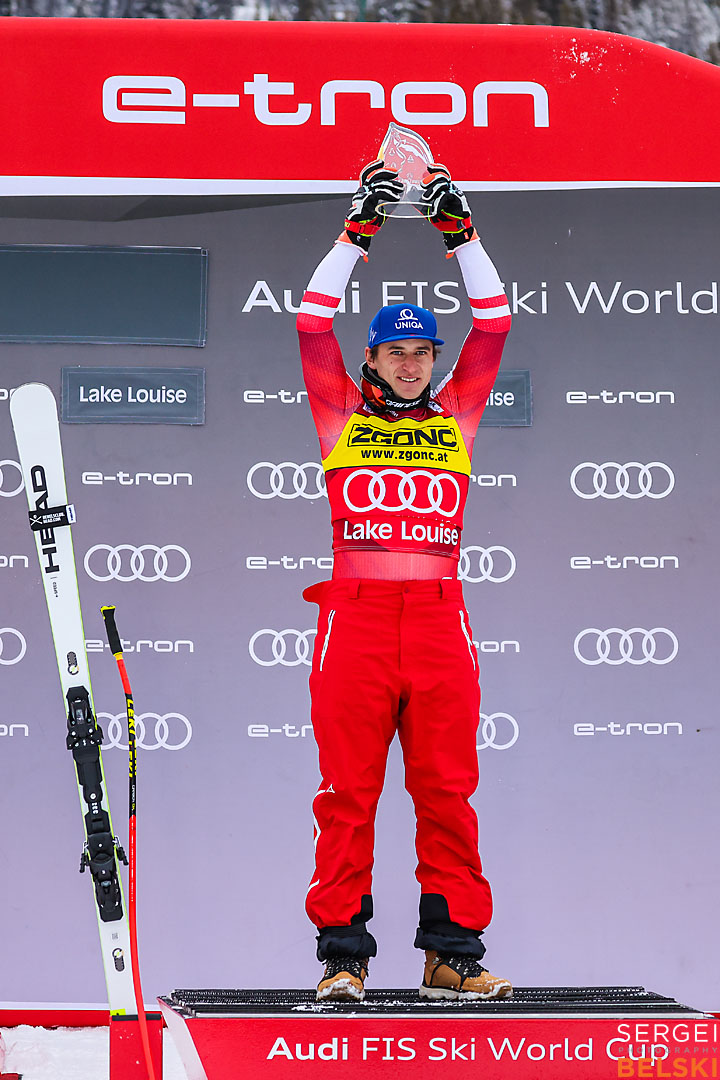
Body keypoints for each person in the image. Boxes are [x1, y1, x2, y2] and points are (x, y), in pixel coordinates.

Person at [296, 159, 513, 1003]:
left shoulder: (456, 413)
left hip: (436, 617)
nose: (417, 364)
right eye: (399, 351)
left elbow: (493, 324)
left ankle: (451, 952)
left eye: (426, 351)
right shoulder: (338, 410)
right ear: (374, 357)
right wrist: (359, 231)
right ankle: (343, 957)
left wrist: (462, 234)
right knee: (347, 793)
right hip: (353, 619)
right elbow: (313, 320)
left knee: (447, 789)